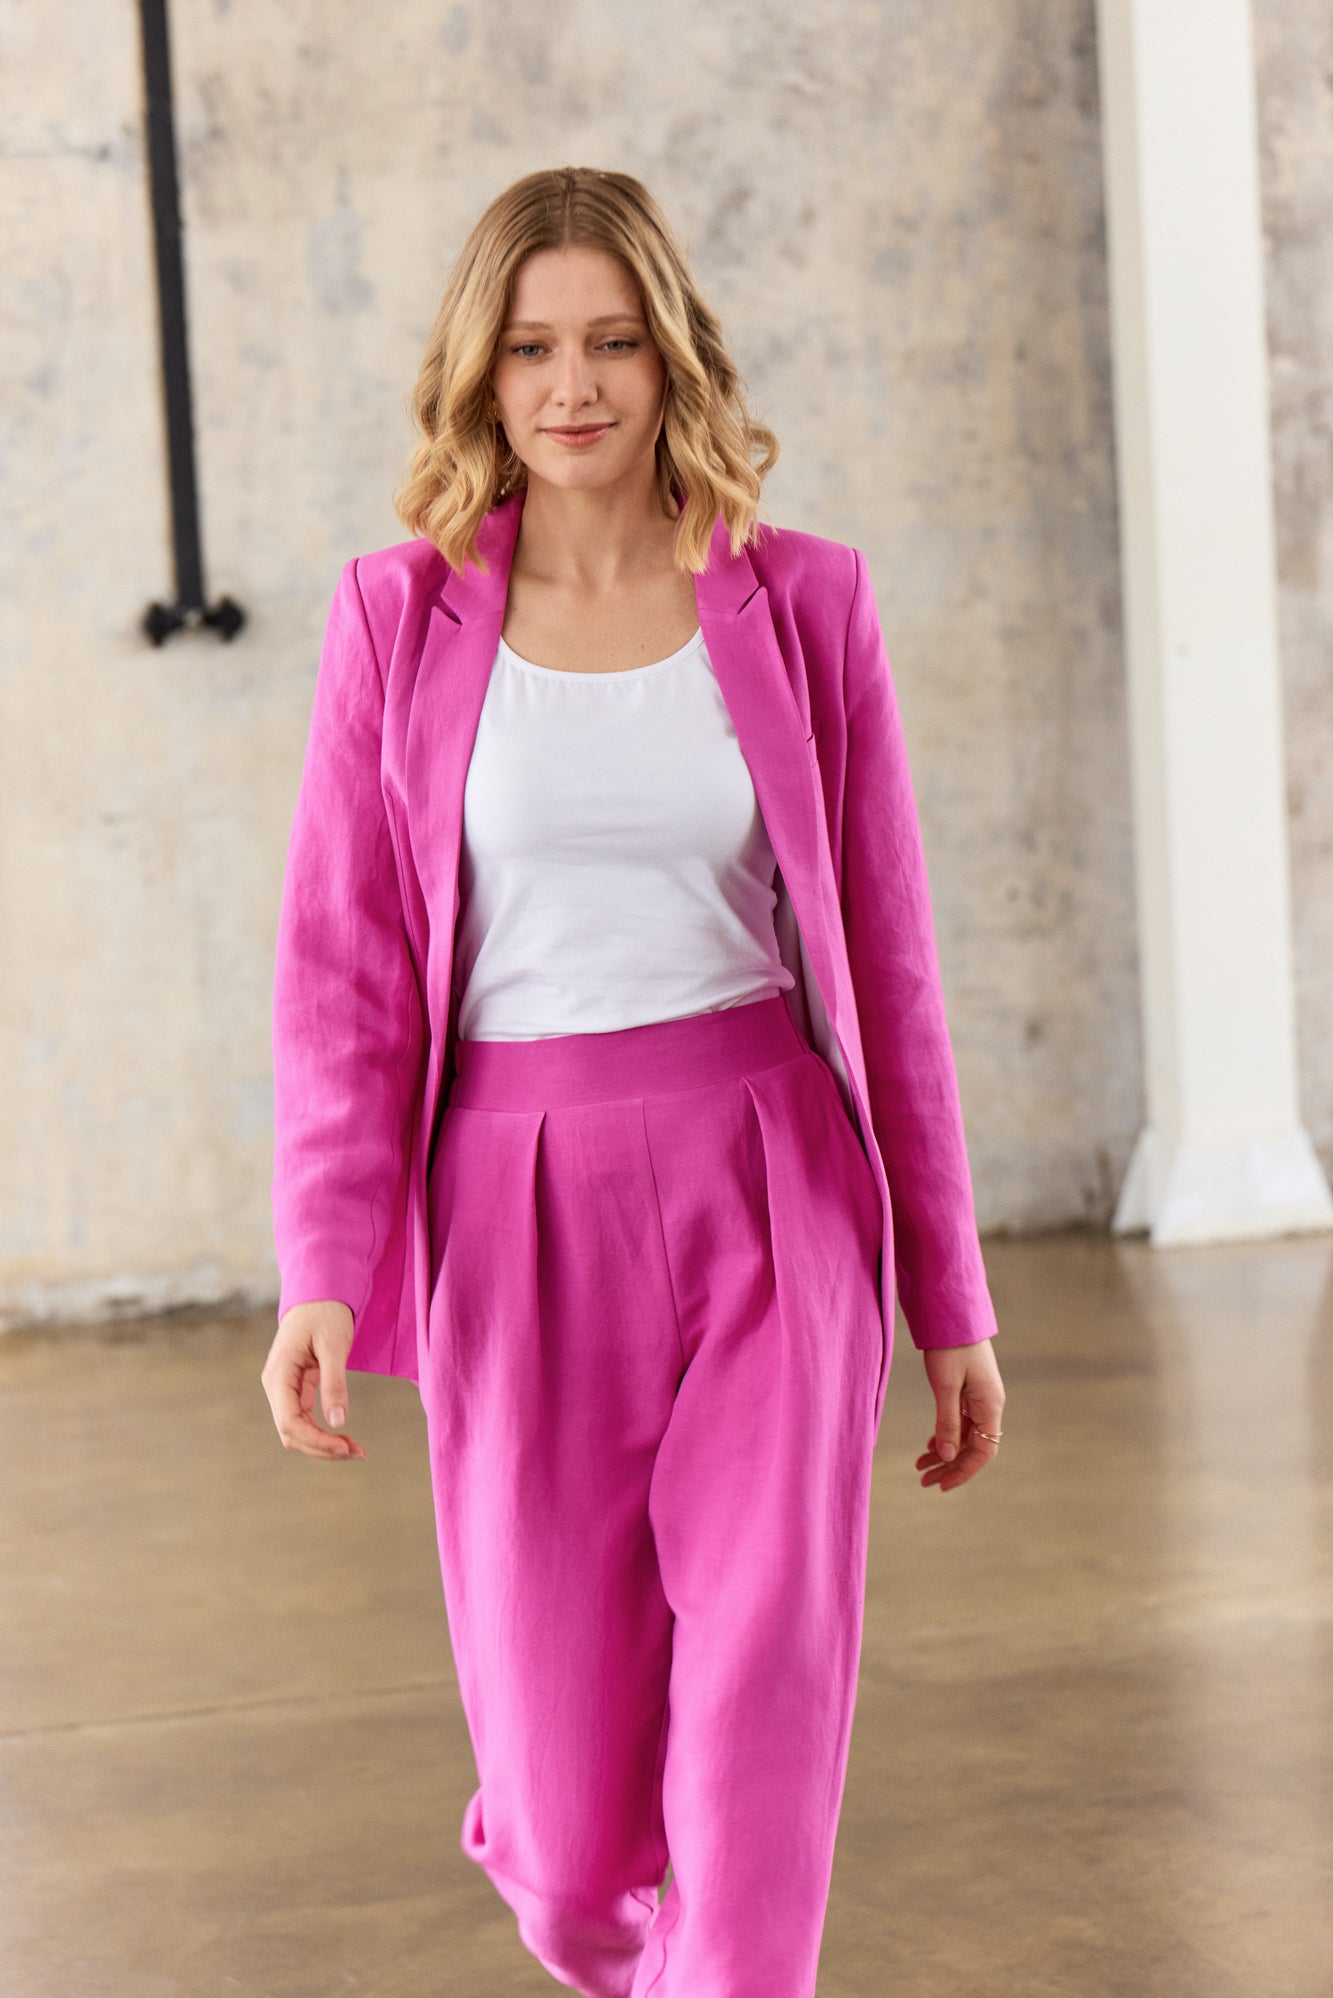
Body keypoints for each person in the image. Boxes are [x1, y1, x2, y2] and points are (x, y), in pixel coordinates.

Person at [261, 165, 1005, 1998]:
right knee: (571, 1829)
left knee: (758, 1711)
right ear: (481, 372)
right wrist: (320, 1268)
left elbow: (889, 965)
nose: (572, 385)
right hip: (510, 1203)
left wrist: (949, 1295)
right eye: (529, 349)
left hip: (773, 1181)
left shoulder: (803, 600)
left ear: (670, 354)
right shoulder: (396, 617)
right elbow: (346, 975)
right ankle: (597, 1910)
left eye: (608, 341)